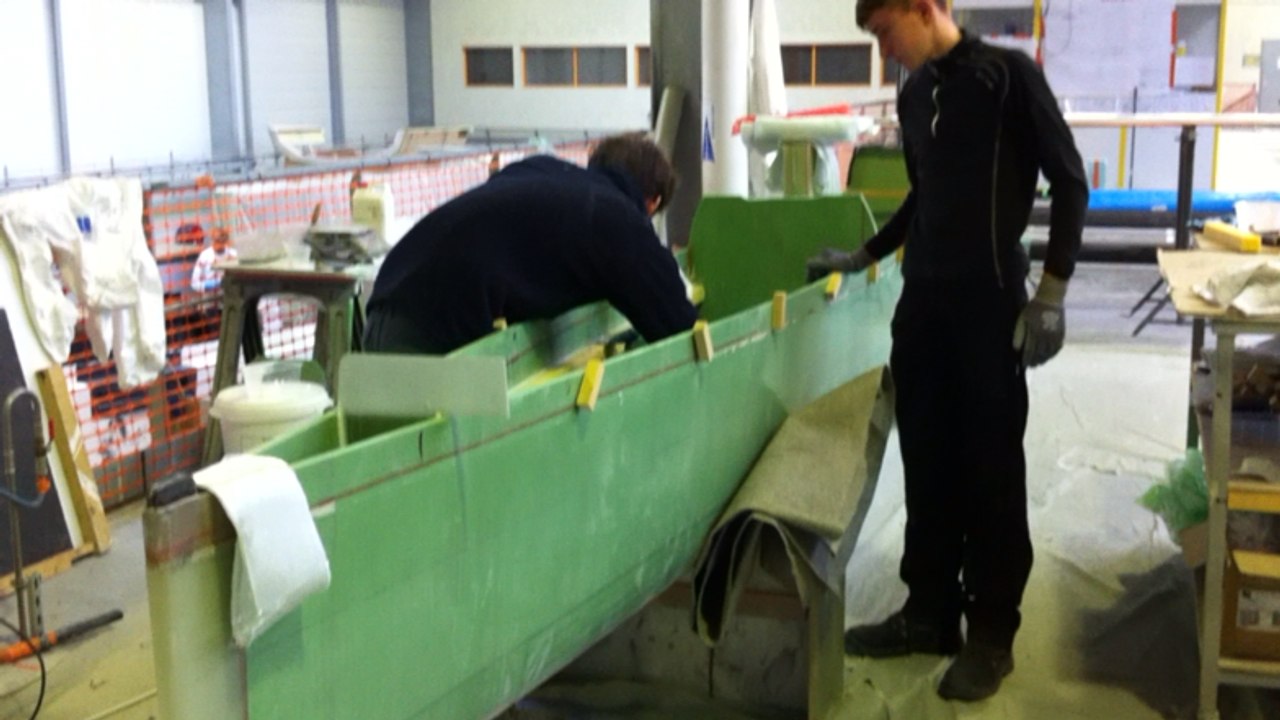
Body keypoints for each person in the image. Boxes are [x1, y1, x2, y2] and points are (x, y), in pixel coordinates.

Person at [806, 0, 1088, 702]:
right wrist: (863, 253)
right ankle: (928, 613)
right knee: (927, 461)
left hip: (990, 305)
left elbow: (1071, 181)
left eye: (883, 31)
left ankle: (992, 632)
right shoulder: (914, 92)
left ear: (923, 7)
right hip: (923, 306)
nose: (882, 49)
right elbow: (923, 196)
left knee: (990, 468)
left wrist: (1051, 292)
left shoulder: (1008, 76)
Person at [364, 132, 697, 355]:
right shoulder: (616, 216)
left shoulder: (539, 169)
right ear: (651, 203)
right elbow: (676, 323)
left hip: (384, 304)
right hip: (436, 333)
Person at [190, 227, 238, 292]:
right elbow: (194, 284)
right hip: (211, 295)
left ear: (226, 241)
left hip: (230, 294)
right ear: (212, 240)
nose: (220, 245)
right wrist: (213, 284)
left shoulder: (233, 254)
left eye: (222, 242)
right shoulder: (205, 256)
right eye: (217, 241)